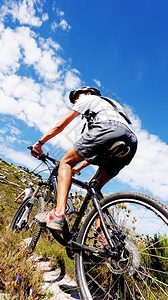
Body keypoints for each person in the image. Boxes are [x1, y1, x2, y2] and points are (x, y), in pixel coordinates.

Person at [31, 87, 138, 233]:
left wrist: (39, 144)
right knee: (95, 188)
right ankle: (104, 234)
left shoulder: (89, 99)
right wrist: (79, 168)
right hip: (130, 140)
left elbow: (60, 125)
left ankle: (58, 213)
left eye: (77, 97)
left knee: (65, 162)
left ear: (88, 94)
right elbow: (98, 146)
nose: (76, 100)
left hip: (107, 129)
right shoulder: (111, 107)